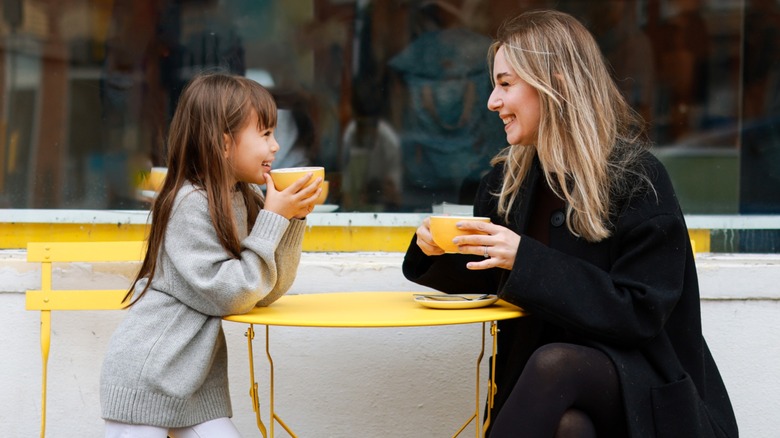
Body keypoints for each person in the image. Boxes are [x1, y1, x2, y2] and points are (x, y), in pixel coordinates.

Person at [402, 10, 737, 438]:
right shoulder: (507, 181)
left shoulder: (636, 178)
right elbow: (486, 279)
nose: (492, 101)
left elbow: (640, 313)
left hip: (648, 396)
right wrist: (434, 249)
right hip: (558, 397)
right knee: (568, 429)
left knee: (555, 363)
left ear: (556, 84)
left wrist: (524, 258)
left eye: (505, 84)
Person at [100, 73, 322, 437]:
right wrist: (272, 219)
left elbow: (264, 289)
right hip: (150, 372)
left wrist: (290, 220)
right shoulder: (189, 203)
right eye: (265, 134)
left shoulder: (241, 197)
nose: (276, 146)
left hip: (193, 379)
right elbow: (230, 293)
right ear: (223, 143)